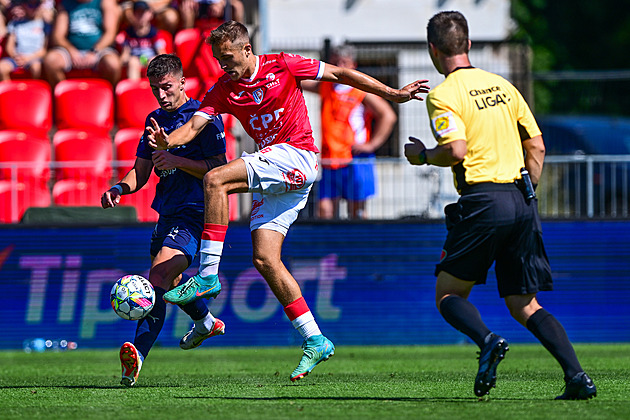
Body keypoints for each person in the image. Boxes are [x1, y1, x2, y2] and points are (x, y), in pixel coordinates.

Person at [146, 20, 428, 382]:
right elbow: (194, 127)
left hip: (297, 156)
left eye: (227, 57)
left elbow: (341, 74)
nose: (223, 65)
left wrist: (392, 93)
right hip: (279, 172)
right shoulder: (224, 89)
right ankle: (315, 339)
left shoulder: (283, 64)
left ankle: (207, 276)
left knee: (215, 179)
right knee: (265, 259)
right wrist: (169, 141)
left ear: (247, 50)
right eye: (217, 58)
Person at [404, 11, 596, 400]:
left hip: (483, 200)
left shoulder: (444, 94)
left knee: (449, 295)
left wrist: (423, 156)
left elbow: (456, 150)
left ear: (432, 50)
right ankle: (577, 378)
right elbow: (537, 145)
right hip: (520, 198)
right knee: (525, 303)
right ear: (469, 44)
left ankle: (488, 340)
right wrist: (527, 192)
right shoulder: (504, 86)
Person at [101, 53, 228, 387]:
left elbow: (218, 168)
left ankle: (137, 355)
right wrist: (119, 187)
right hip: (167, 213)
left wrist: (174, 157)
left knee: (157, 276)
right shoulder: (153, 119)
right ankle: (205, 322)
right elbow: (141, 171)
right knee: (169, 282)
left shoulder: (204, 118)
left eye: (167, 87)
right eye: (156, 89)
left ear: (183, 82)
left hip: (197, 212)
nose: (161, 95)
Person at [302, 44, 397, 219]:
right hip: (331, 160)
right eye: (336, 62)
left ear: (353, 65)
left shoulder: (361, 90)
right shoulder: (325, 87)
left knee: (357, 212)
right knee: (324, 211)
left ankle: (359, 244)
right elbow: (300, 81)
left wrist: (372, 144)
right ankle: (328, 246)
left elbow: (388, 115)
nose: (340, 67)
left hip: (355, 159)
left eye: (344, 62)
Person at [43, 0, 122, 88]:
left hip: (99, 49)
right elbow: (58, 36)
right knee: (51, 61)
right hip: (71, 50)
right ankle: (64, 94)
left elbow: (110, 34)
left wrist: (94, 51)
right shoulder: (65, 4)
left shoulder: (105, 2)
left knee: (113, 64)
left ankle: (108, 95)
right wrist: (71, 51)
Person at [0, 0, 51, 81]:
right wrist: (17, 57)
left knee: (36, 68)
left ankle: (35, 92)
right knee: (1, 68)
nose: (34, 8)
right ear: (24, 5)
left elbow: (44, 50)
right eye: (30, 4)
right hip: (16, 58)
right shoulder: (15, 23)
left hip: (35, 58)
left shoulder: (45, 25)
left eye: (37, 4)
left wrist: (28, 58)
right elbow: (9, 46)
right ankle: (8, 92)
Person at [117, 0, 167, 80]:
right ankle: (135, 88)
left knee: (154, 61)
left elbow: (162, 53)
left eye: (143, 13)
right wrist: (125, 61)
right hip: (135, 60)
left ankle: (153, 88)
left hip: (150, 59)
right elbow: (124, 56)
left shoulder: (155, 33)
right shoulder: (128, 34)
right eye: (138, 13)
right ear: (133, 15)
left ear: (150, 14)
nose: (140, 16)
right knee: (133, 62)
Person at [178, 0, 244, 30]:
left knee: (237, 6)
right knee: (186, 9)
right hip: (197, 5)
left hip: (220, 4)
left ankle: (239, 43)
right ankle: (187, 46)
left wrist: (222, 2)